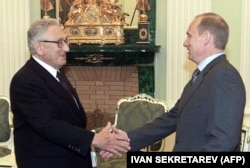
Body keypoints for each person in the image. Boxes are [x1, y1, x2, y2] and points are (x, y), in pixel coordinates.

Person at [101, 12, 246, 156]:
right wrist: (126, 140)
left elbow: (224, 142)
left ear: (206, 38)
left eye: (189, 36)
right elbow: (172, 118)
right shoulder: (203, 75)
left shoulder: (224, 76)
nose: (185, 43)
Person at [9, 18, 130, 168]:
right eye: (59, 43)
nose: (66, 48)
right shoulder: (25, 80)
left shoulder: (56, 74)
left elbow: (69, 119)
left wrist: (96, 137)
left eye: (66, 41)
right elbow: (47, 125)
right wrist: (94, 139)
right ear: (39, 47)